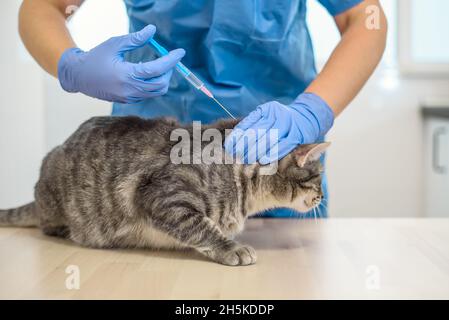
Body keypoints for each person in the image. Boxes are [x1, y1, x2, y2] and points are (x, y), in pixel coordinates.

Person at [19, 0, 387, 218]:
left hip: (279, 157)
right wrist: (72, 64)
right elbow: (43, 7)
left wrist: (313, 110)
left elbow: (366, 18)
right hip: (155, 161)